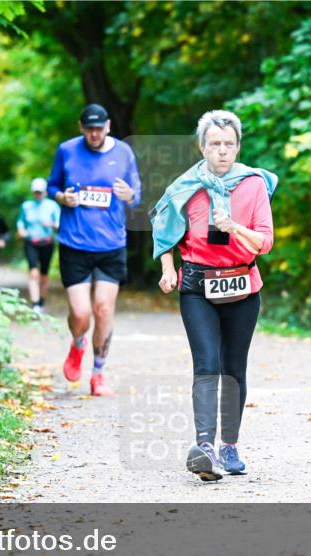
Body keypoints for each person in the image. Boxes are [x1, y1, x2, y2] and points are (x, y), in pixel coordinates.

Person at [151, 109, 277, 481]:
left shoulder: (254, 185)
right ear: (202, 147)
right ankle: (204, 447)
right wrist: (167, 269)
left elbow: (265, 242)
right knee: (206, 363)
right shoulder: (187, 186)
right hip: (198, 287)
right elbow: (164, 226)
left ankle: (230, 447)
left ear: (238, 147)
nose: (222, 151)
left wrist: (234, 227)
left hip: (242, 285)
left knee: (233, 366)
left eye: (229, 144)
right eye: (215, 144)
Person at [47, 103, 142, 396]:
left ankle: (98, 373)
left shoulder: (123, 153)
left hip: (111, 244)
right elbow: (52, 187)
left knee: (103, 308)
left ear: (109, 126)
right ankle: (78, 345)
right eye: (89, 128)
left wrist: (130, 195)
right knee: (80, 313)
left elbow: (136, 194)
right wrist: (62, 197)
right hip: (74, 243)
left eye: (99, 128)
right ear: (81, 127)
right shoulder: (66, 151)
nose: (94, 133)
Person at [17, 177, 61, 313]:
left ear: (45, 192)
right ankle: (35, 303)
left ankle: (42, 301)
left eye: (40, 192)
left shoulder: (52, 206)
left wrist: (52, 224)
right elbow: (20, 222)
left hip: (47, 243)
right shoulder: (26, 206)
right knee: (33, 273)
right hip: (31, 242)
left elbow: (60, 224)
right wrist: (21, 230)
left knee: (44, 275)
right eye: (35, 192)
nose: (37, 195)